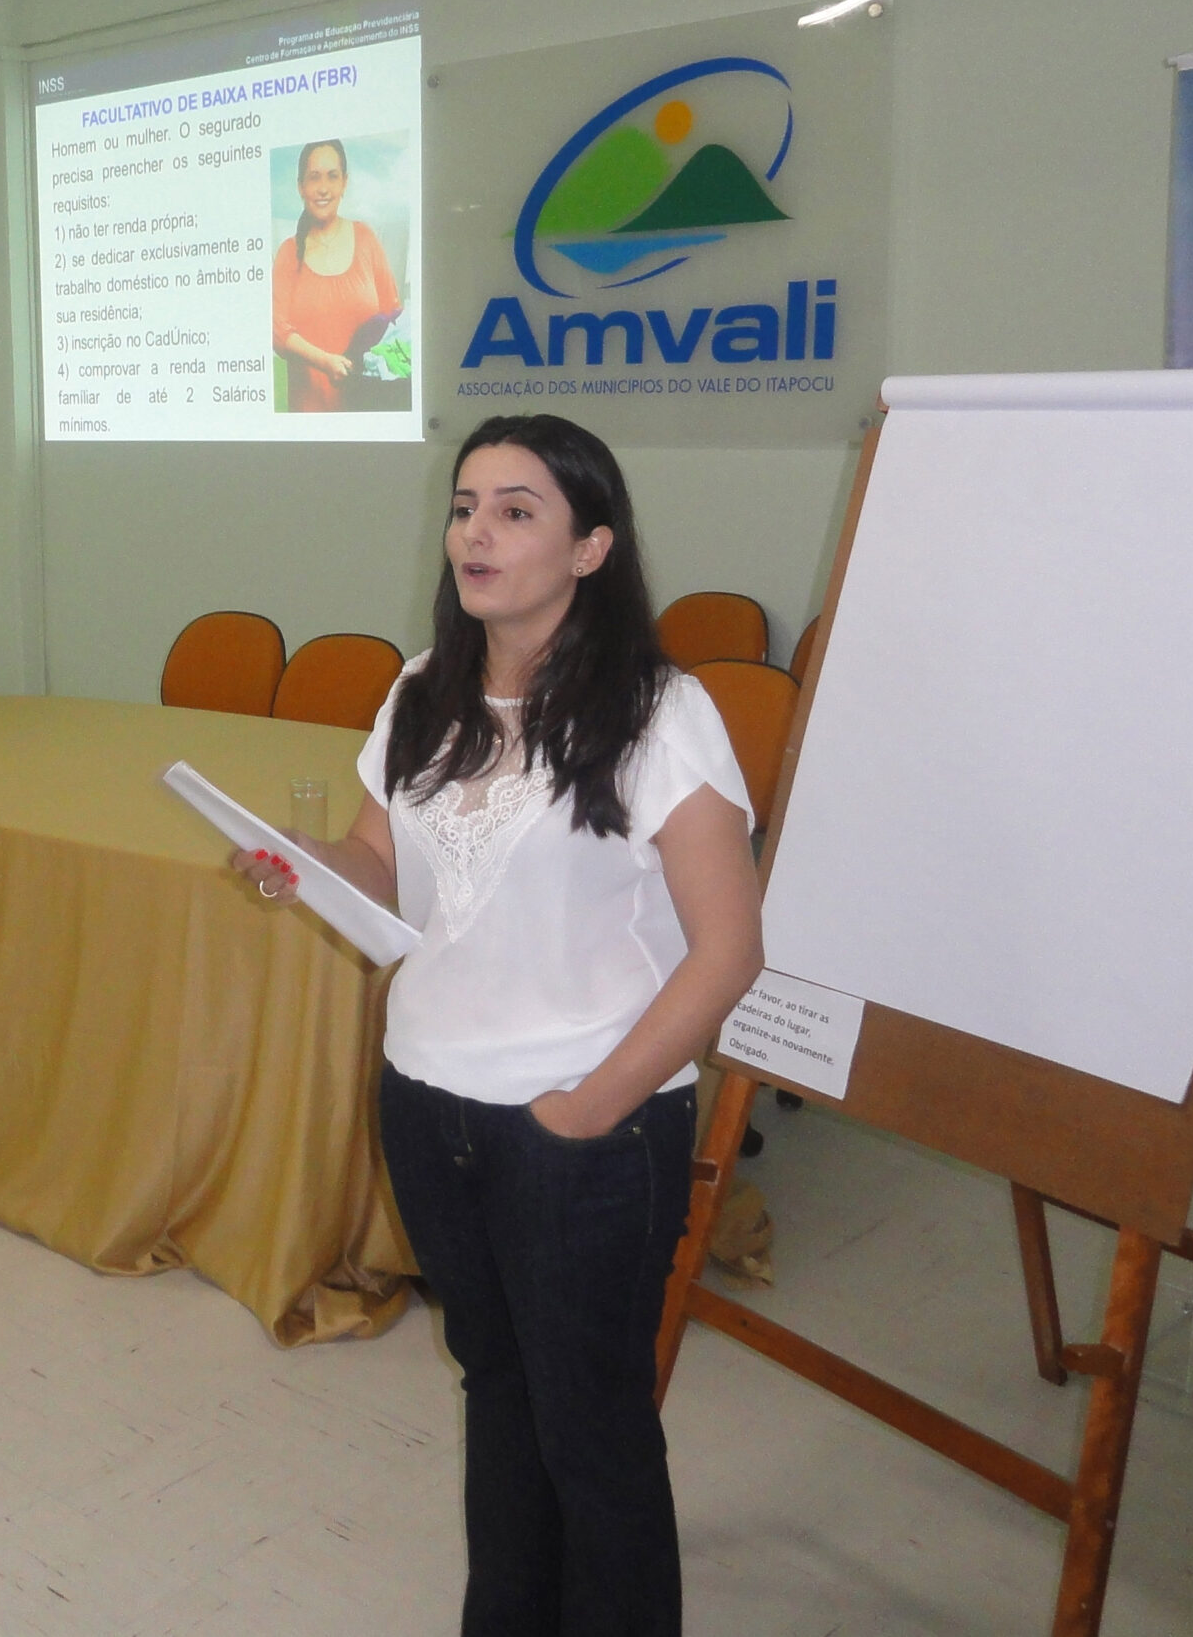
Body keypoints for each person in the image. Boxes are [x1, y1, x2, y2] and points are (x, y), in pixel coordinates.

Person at [235, 414, 763, 1636]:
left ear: (590, 548)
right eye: (467, 504)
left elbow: (729, 945)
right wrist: (302, 862)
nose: (477, 530)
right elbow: (380, 862)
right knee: (500, 1389)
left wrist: (588, 1109)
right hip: (425, 1100)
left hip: (580, 1126)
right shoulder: (423, 687)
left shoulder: (657, 709)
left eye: (517, 509)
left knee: (592, 1429)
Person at [270, 139, 402, 413]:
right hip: (308, 424)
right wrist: (325, 361)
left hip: (368, 416)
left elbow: (394, 314)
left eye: (332, 176)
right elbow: (278, 332)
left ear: (344, 182)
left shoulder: (365, 238)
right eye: (313, 177)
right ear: (300, 186)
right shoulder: (287, 253)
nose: (323, 188)